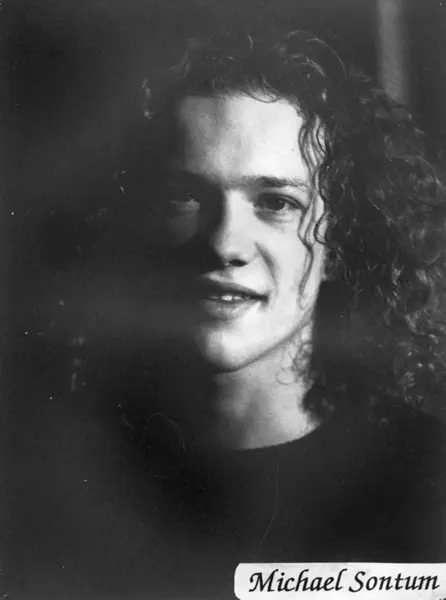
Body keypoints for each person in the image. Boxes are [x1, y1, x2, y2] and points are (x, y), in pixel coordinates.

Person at [11, 27, 446, 600]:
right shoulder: (67, 479)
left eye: (277, 203)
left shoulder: (426, 483)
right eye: (184, 196)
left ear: (340, 243)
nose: (224, 242)